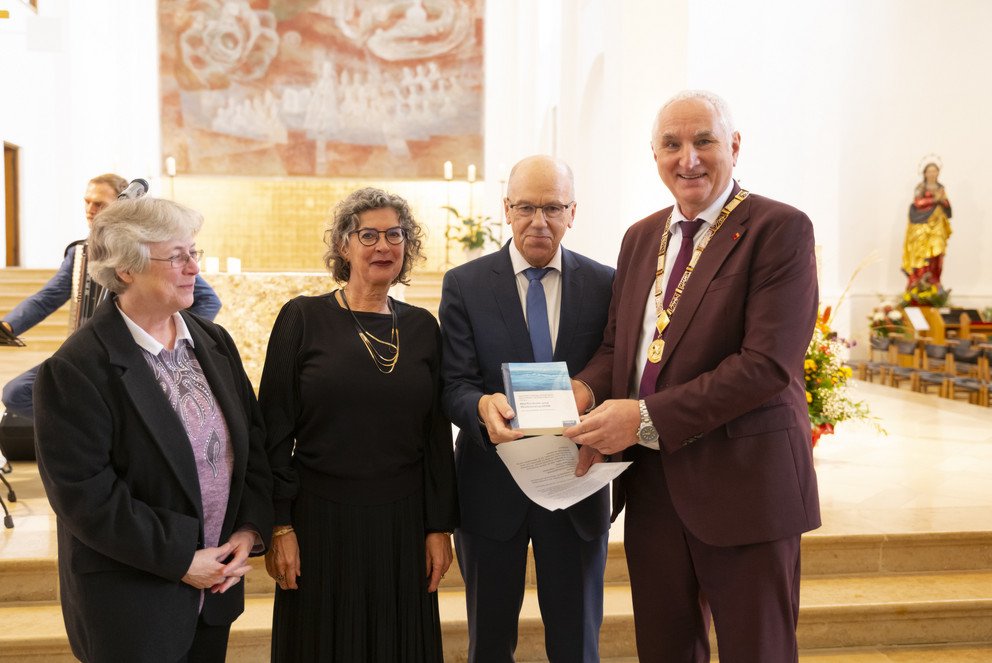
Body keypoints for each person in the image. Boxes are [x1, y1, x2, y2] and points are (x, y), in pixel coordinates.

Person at [563, 90, 820, 663]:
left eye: (704, 141)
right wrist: (582, 391)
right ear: (654, 154)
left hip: (745, 482)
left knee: (758, 651)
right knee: (664, 649)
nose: (689, 159)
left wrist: (643, 417)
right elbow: (620, 348)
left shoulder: (778, 229)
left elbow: (765, 366)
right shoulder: (640, 237)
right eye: (671, 144)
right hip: (654, 487)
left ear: (734, 145)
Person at [33, 196, 273, 663]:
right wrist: (182, 560)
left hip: (215, 591)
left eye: (194, 252)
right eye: (177, 256)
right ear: (126, 268)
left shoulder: (213, 341)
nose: (194, 268)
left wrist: (248, 529)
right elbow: (85, 496)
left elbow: (252, 442)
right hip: (133, 602)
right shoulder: (76, 368)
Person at [261, 187, 457, 662]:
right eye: (368, 235)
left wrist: (439, 527)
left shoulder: (422, 328)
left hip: (402, 524)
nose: (383, 246)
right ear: (343, 245)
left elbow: (435, 436)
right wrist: (279, 526)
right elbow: (272, 430)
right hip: (319, 521)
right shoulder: (302, 317)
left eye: (395, 235)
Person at [439, 155, 615, 663]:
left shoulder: (605, 283)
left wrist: (587, 389)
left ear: (573, 212)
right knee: (490, 644)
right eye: (526, 207)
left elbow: (616, 360)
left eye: (553, 208)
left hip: (576, 482)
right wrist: (481, 406)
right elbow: (453, 383)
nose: (539, 221)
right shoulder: (466, 284)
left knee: (577, 645)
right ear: (506, 209)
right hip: (492, 488)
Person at [1, 173, 222, 420]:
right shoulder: (80, 253)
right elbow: (47, 298)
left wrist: (173, 336)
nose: (90, 210)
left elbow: (208, 300)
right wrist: (8, 326)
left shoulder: (151, 254)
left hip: (134, 347)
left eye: (99, 204)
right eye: (87, 202)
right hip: (90, 349)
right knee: (18, 393)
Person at [902, 160, 952, 292]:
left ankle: (934, 280)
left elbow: (947, 204)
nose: (932, 174)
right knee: (921, 252)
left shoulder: (941, 188)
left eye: (934, 171)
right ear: (925, 173)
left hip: (937, 225)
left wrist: (943, 200)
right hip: (922, 224)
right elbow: (917, 202)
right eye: (929, 171)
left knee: (937, 251)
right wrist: (935, 199)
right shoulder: (921, 187)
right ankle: (920, 280)